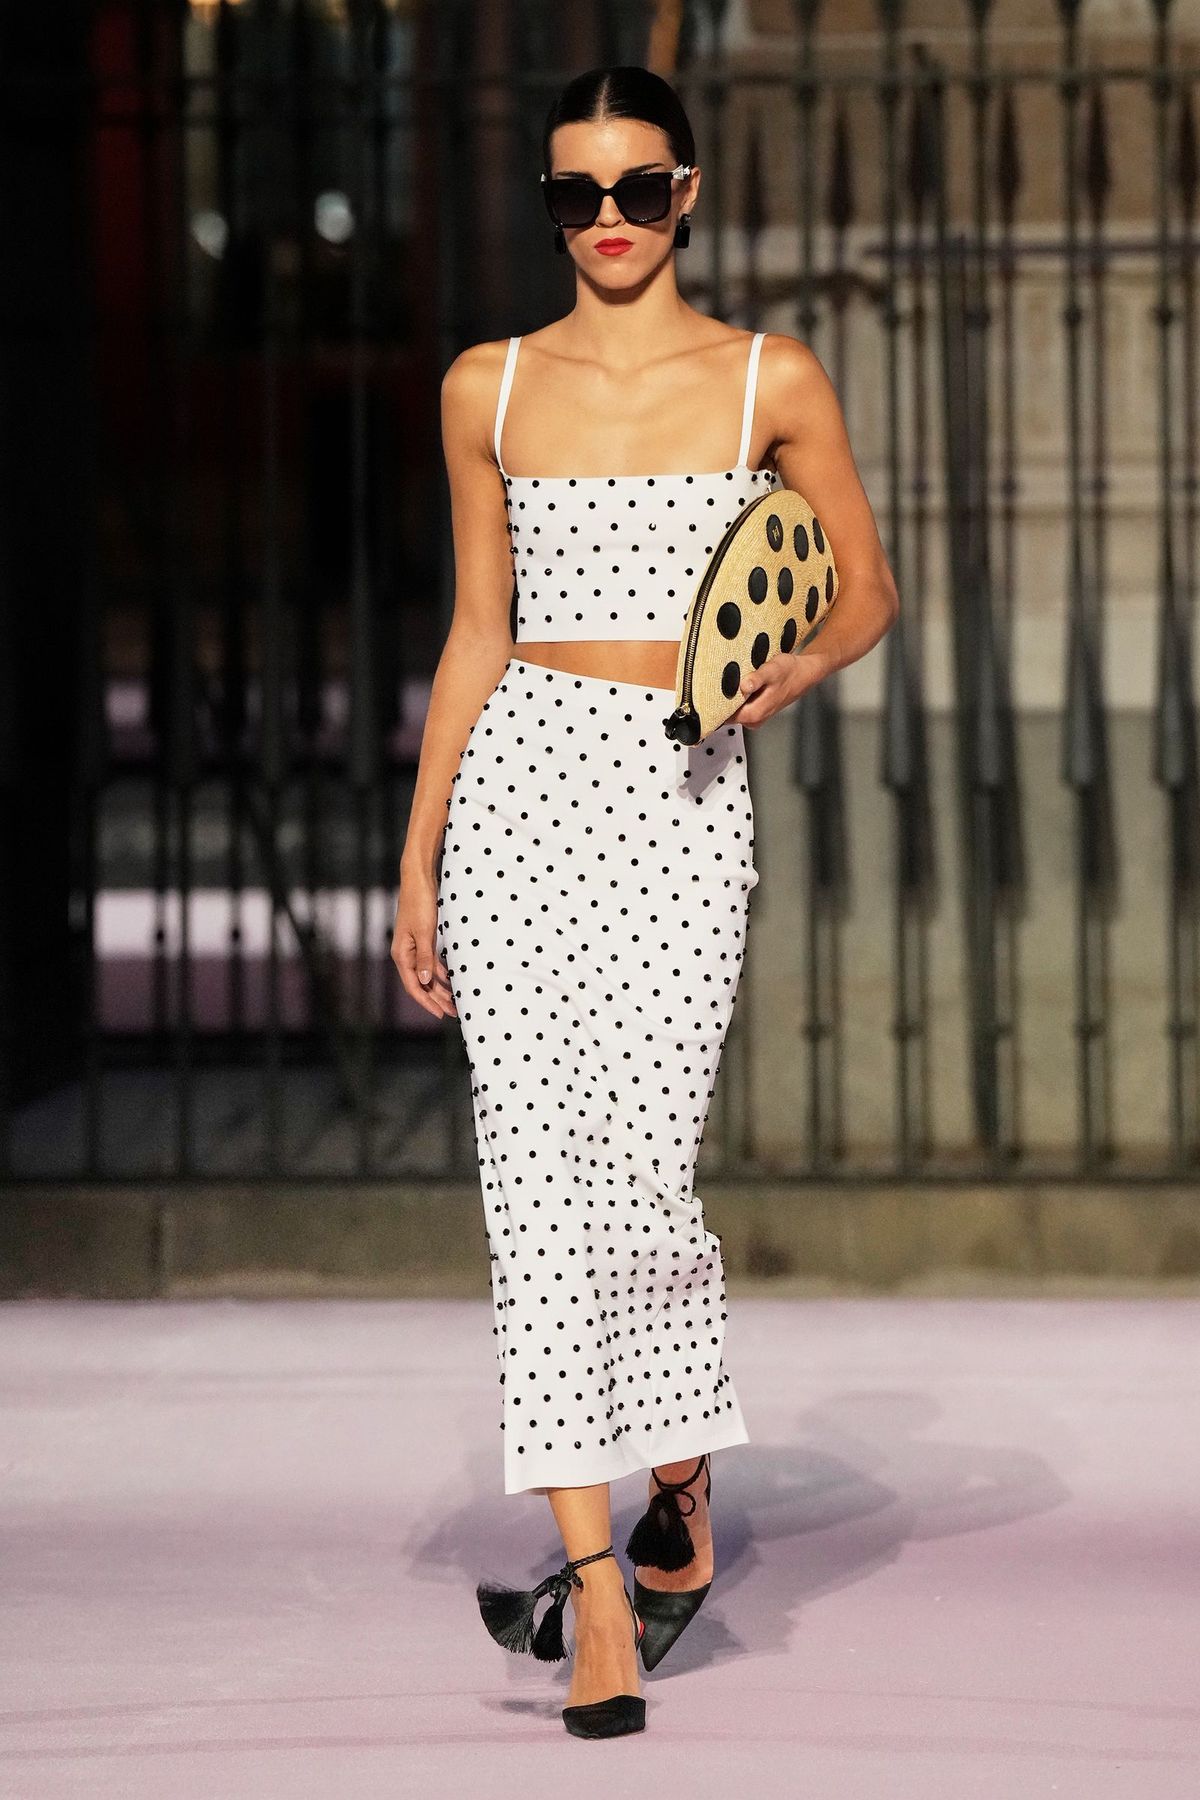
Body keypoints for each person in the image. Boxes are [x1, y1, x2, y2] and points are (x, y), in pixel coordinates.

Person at [392, 64, 899, 1740]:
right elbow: (477, 629)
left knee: (645, 1186)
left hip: (680, 796)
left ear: (685, 193)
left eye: (633, 189)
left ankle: (678, 1476)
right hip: (519, 791)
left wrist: (786, 671)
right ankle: (596, 1590)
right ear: (550, 207)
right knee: (535, 1183)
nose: (604, 220)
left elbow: (867, 589)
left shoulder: (769, 375)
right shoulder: (488, 384)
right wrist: (419, 853)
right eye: (573, 194)